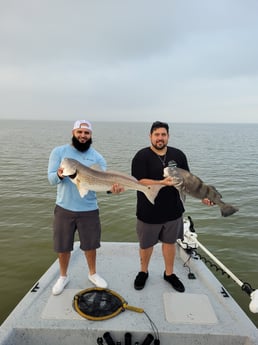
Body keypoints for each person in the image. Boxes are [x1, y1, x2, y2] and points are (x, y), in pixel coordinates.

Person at [131, 121, 213, 292]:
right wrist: (161, 182)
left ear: (168, 136)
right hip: (149, 211)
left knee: (169, 243)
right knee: (146, 245)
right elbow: (139, 181)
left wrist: (203, 197)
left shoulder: (179, 155)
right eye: (156, 135)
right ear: (150, 136)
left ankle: (169, 274)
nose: (160, 138)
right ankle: (143, 272)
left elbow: (189, 181)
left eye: (163, 134)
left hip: (174, 211)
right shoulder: (141, 156)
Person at [48, 120, 123, 296]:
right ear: (73, 132)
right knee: (63, 245)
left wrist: (113, 190)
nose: (83, 136)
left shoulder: (97, 157)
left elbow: (104, 185)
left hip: (89, 209)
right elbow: (51, 179)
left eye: (86, 133)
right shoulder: (59, 152)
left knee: (90, 245)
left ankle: (93, 273)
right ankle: (63, 276)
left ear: (91, 135)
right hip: (64, 208)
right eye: (80, 132)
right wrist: (60, 174)